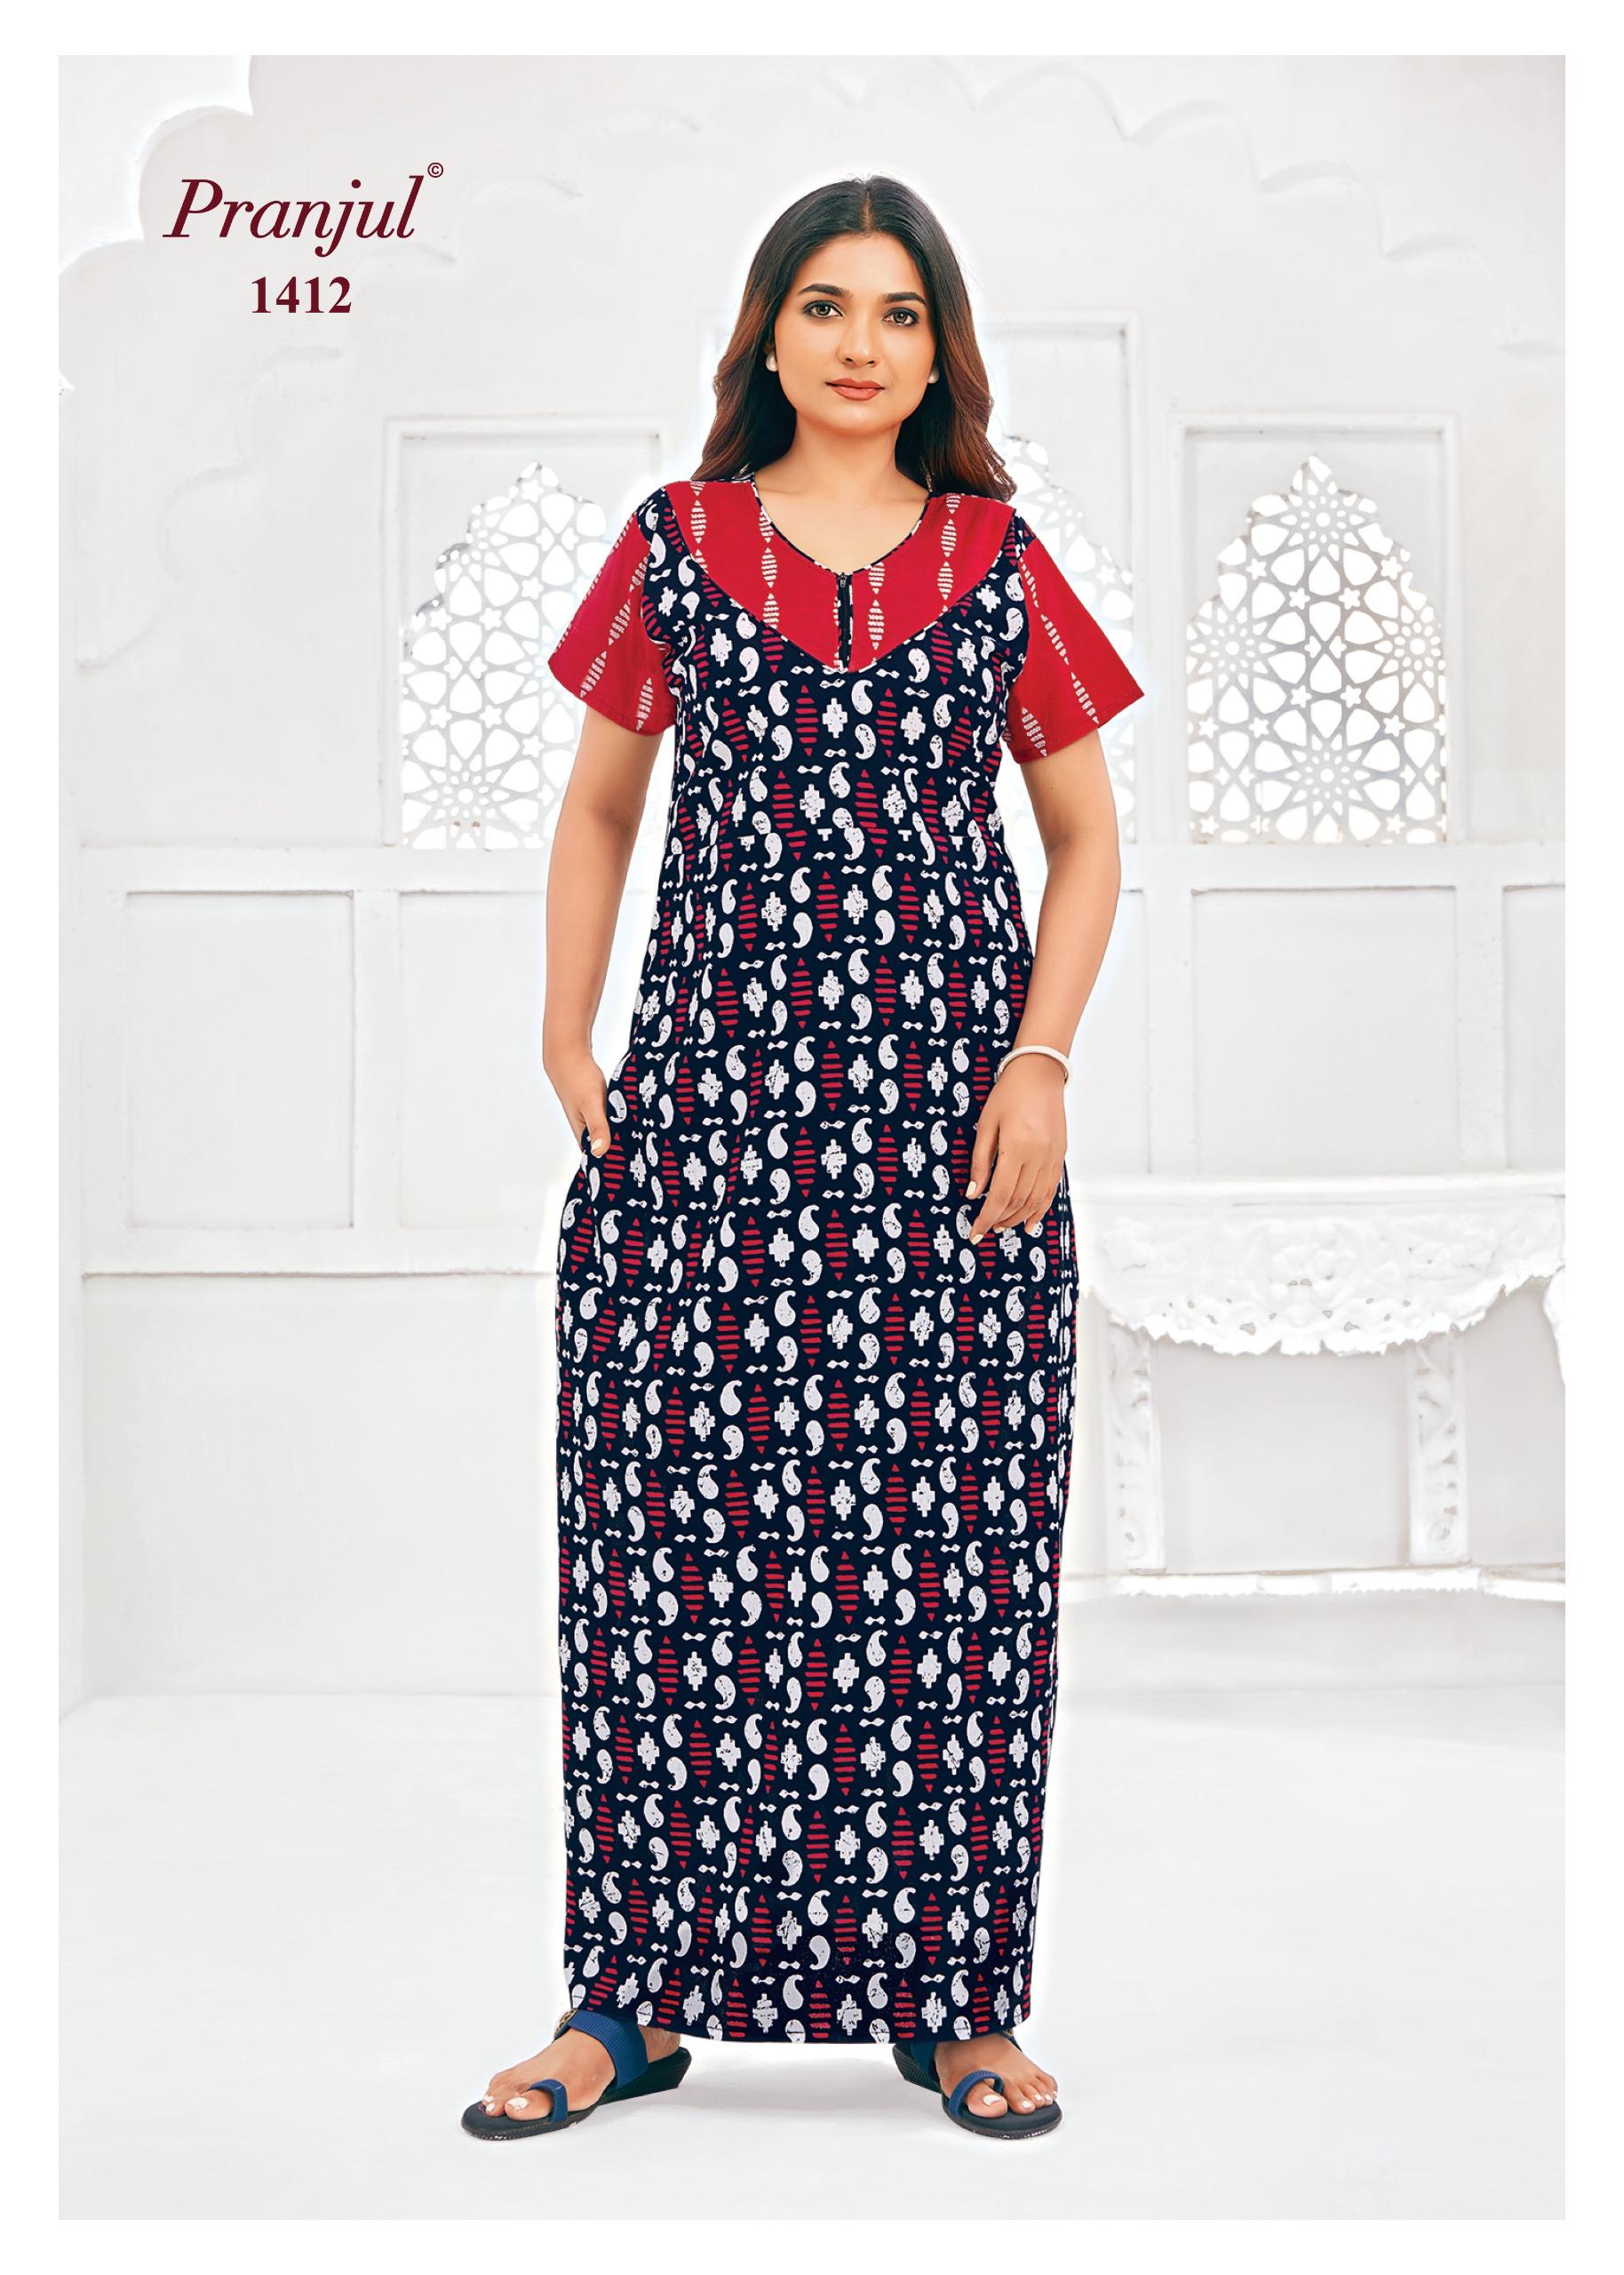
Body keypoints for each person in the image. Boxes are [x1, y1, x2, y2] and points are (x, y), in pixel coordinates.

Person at [463, 172, 1144, 2146]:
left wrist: (1041, 1062)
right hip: (708, 1130)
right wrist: (566, 1034)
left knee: (953, 1555)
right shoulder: (674, 545)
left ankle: (958, 2001)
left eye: (900, 312)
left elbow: (1086, 838)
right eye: (826, 305)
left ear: (941, 353)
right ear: (766, 331)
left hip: (953, 1136)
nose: (861, 343)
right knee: (661, 1545)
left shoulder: (998, 560)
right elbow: (603, 809)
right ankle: (626, 1998)